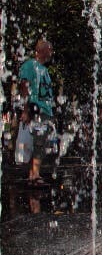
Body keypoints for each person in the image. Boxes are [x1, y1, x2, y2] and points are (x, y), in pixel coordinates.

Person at [18, 39, 55, 185]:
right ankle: (34, 174)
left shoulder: (44, 69)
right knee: (39, 142)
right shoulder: (29, 65)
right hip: (36, 109)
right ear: (42, 50)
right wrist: (26, 109)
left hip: (45, 110)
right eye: (50, 49)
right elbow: (24, 86)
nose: (51, 52)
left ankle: (34, 173)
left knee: (42, 141)